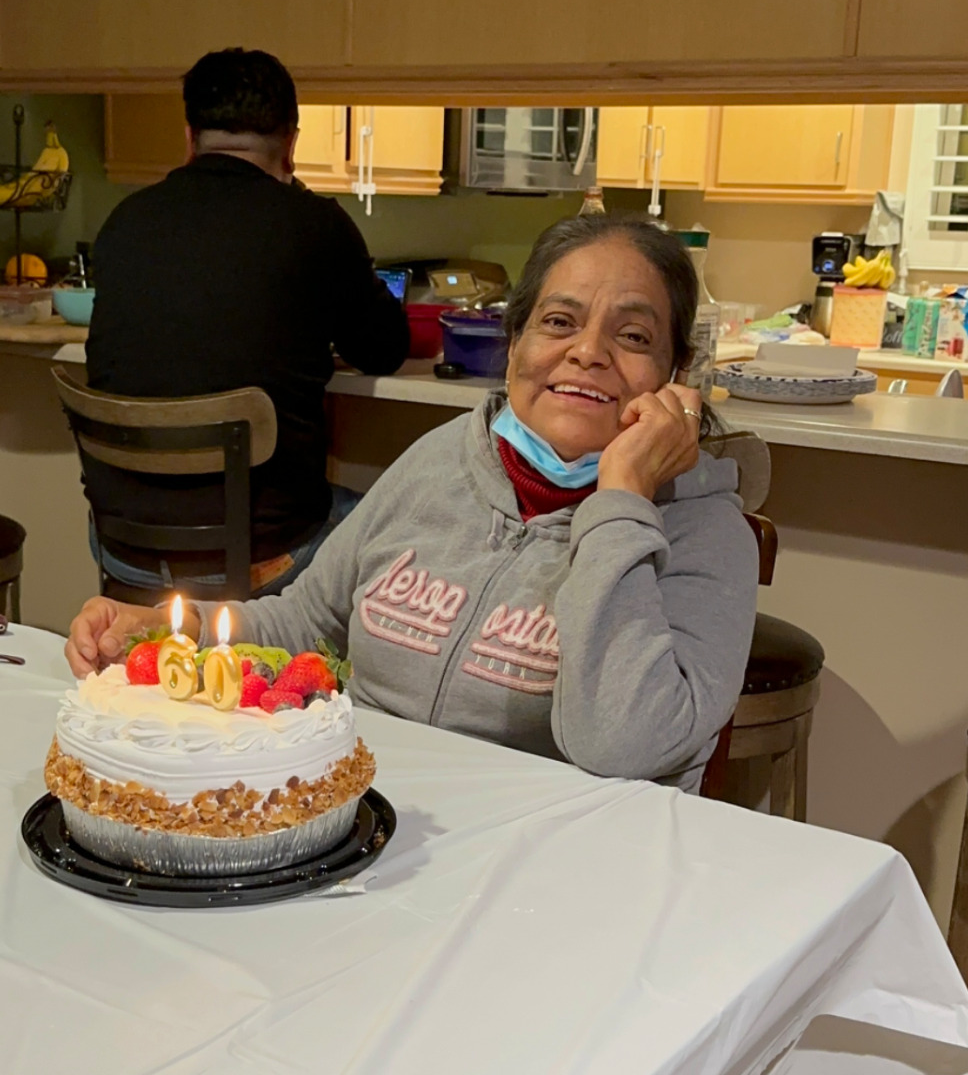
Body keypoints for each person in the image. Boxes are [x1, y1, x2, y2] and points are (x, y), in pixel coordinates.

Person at [68, 213, 759, 792]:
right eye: (558, 321)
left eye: (633, 336)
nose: (589, 351)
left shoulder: (704, 533)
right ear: (515, 345)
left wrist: (623, 499)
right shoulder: (442, 458)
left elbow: (620, 747)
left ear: (675, 376)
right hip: (368, 825)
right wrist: (171, 632)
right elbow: (307, 621)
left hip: (550, 865)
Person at [84, 48, 409, 597]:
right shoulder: (313, 226)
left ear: (190, 137)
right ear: (292, 143)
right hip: (265, 553)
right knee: (402, 530)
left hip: (122, 546)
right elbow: (384, 349)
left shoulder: (124, 221)